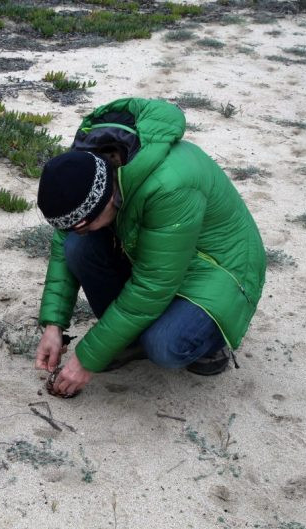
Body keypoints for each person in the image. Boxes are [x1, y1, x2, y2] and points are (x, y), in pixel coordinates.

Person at [34, 97, 266, 397]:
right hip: (161, 254)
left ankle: (212, 343)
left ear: (108, 198)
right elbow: (67, 240)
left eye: (87, 223)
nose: (81, 230)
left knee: (165, 346)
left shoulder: (169, 185)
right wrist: (54, 325)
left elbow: (152, 285)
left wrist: (87, 357)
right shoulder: (90, 169)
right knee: (79, 246)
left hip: (219, 268)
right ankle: (128, 341)